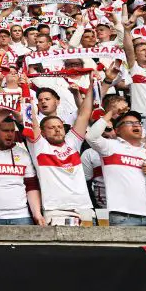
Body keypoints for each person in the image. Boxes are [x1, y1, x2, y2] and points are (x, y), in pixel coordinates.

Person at [84, 103, 146, 226]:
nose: (136, 125)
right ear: (117, 130)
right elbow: (91, 136)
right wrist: (111, 112)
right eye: (129, 123)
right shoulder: (110, 147)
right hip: (121, 216)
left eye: (138, 123)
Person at [26, 82, 96, 225]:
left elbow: (84, 114)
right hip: (56, 210)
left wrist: (91, 85)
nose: (57, 130)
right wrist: (24, 88)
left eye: (59, 127)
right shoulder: (39, 146)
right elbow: (31, 119)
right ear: (43, 133)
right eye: (51, 128)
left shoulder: (73, 142)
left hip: (84, 208)